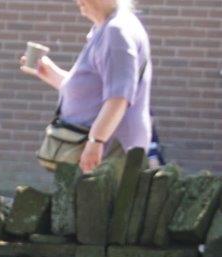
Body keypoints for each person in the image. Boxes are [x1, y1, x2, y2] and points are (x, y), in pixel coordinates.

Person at [20, 0, 152, 173]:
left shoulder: (117, 31)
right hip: (98, 145)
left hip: (111, 149)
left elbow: (119, 98)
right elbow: (92, 91)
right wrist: (50, 73)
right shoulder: (104, 28)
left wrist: (96, 140)